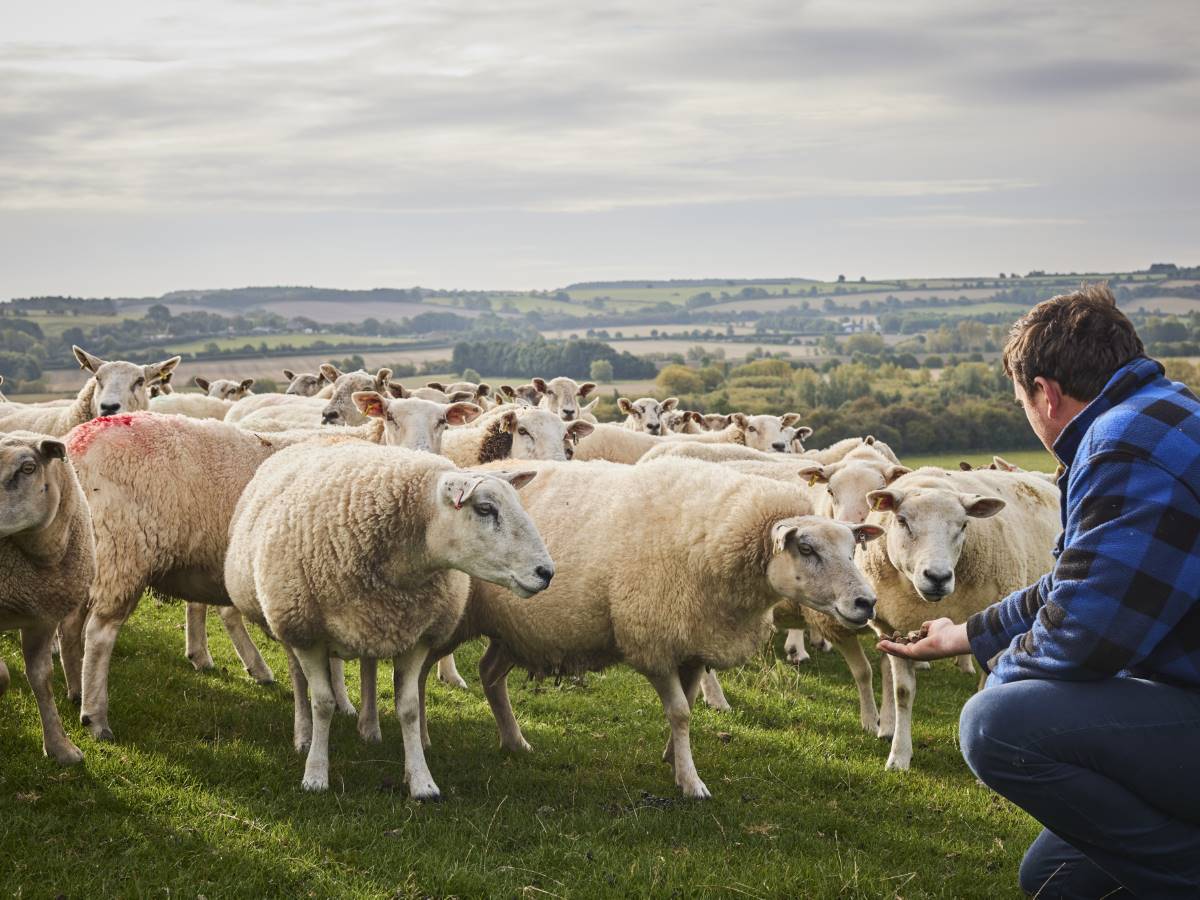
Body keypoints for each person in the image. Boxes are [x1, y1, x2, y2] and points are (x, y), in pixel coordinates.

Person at [879, 284, 1200, 898]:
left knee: (996, 723)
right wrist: (971, 632)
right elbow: (1085, 579)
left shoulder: (1124, 446)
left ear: (1046, 392)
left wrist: (1002, 672)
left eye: (1021, 399)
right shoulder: (1164, 413)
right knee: (1055, 880)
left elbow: (1087, 637)